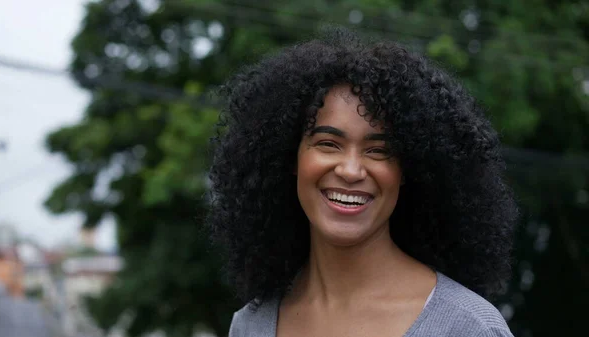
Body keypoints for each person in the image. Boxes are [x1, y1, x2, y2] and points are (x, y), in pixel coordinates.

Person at [207, 28, 518, 337]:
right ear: (290, 157)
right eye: (328, 143)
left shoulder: (467, 328)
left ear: (407, 170)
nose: (351, 170)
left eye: (378, 150)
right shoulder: (251, 326)